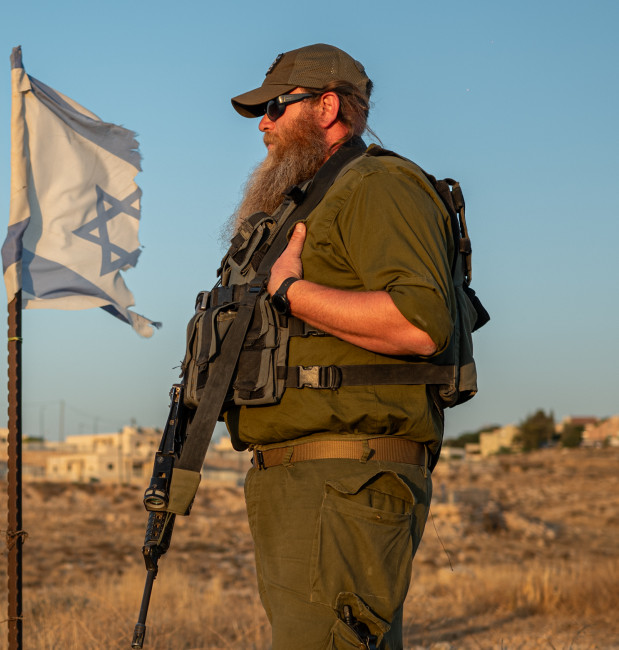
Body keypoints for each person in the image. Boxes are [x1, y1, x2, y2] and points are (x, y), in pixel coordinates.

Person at [224, 44, 455, 649]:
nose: (263, 125)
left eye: (275, 107)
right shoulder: (316, 198)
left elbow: (420, 323)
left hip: (345, 482)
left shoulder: (378, 184)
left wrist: (292, 292)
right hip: (311, 480)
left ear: (328, 107)